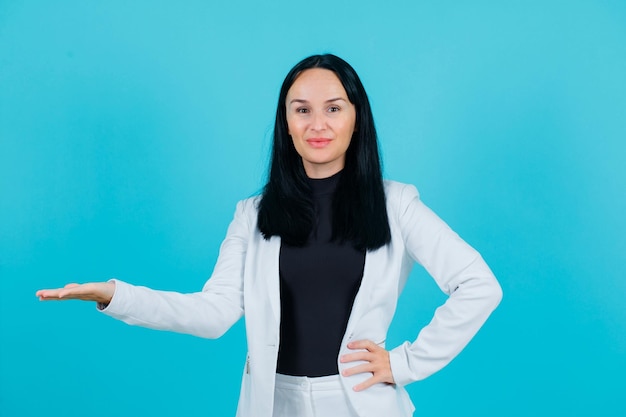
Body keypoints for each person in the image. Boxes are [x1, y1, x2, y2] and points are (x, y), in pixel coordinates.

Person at [37, 54, 502, 417]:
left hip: (360, 402)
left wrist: (404, 363)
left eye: (333, 109)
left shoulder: (396, 204)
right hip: (273, 402)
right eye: (302, 110)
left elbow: (479, 285)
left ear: (356, 118)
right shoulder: (253, 214)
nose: (317, 124)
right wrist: (115, 295)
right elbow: (213, 313)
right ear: (285, 121)